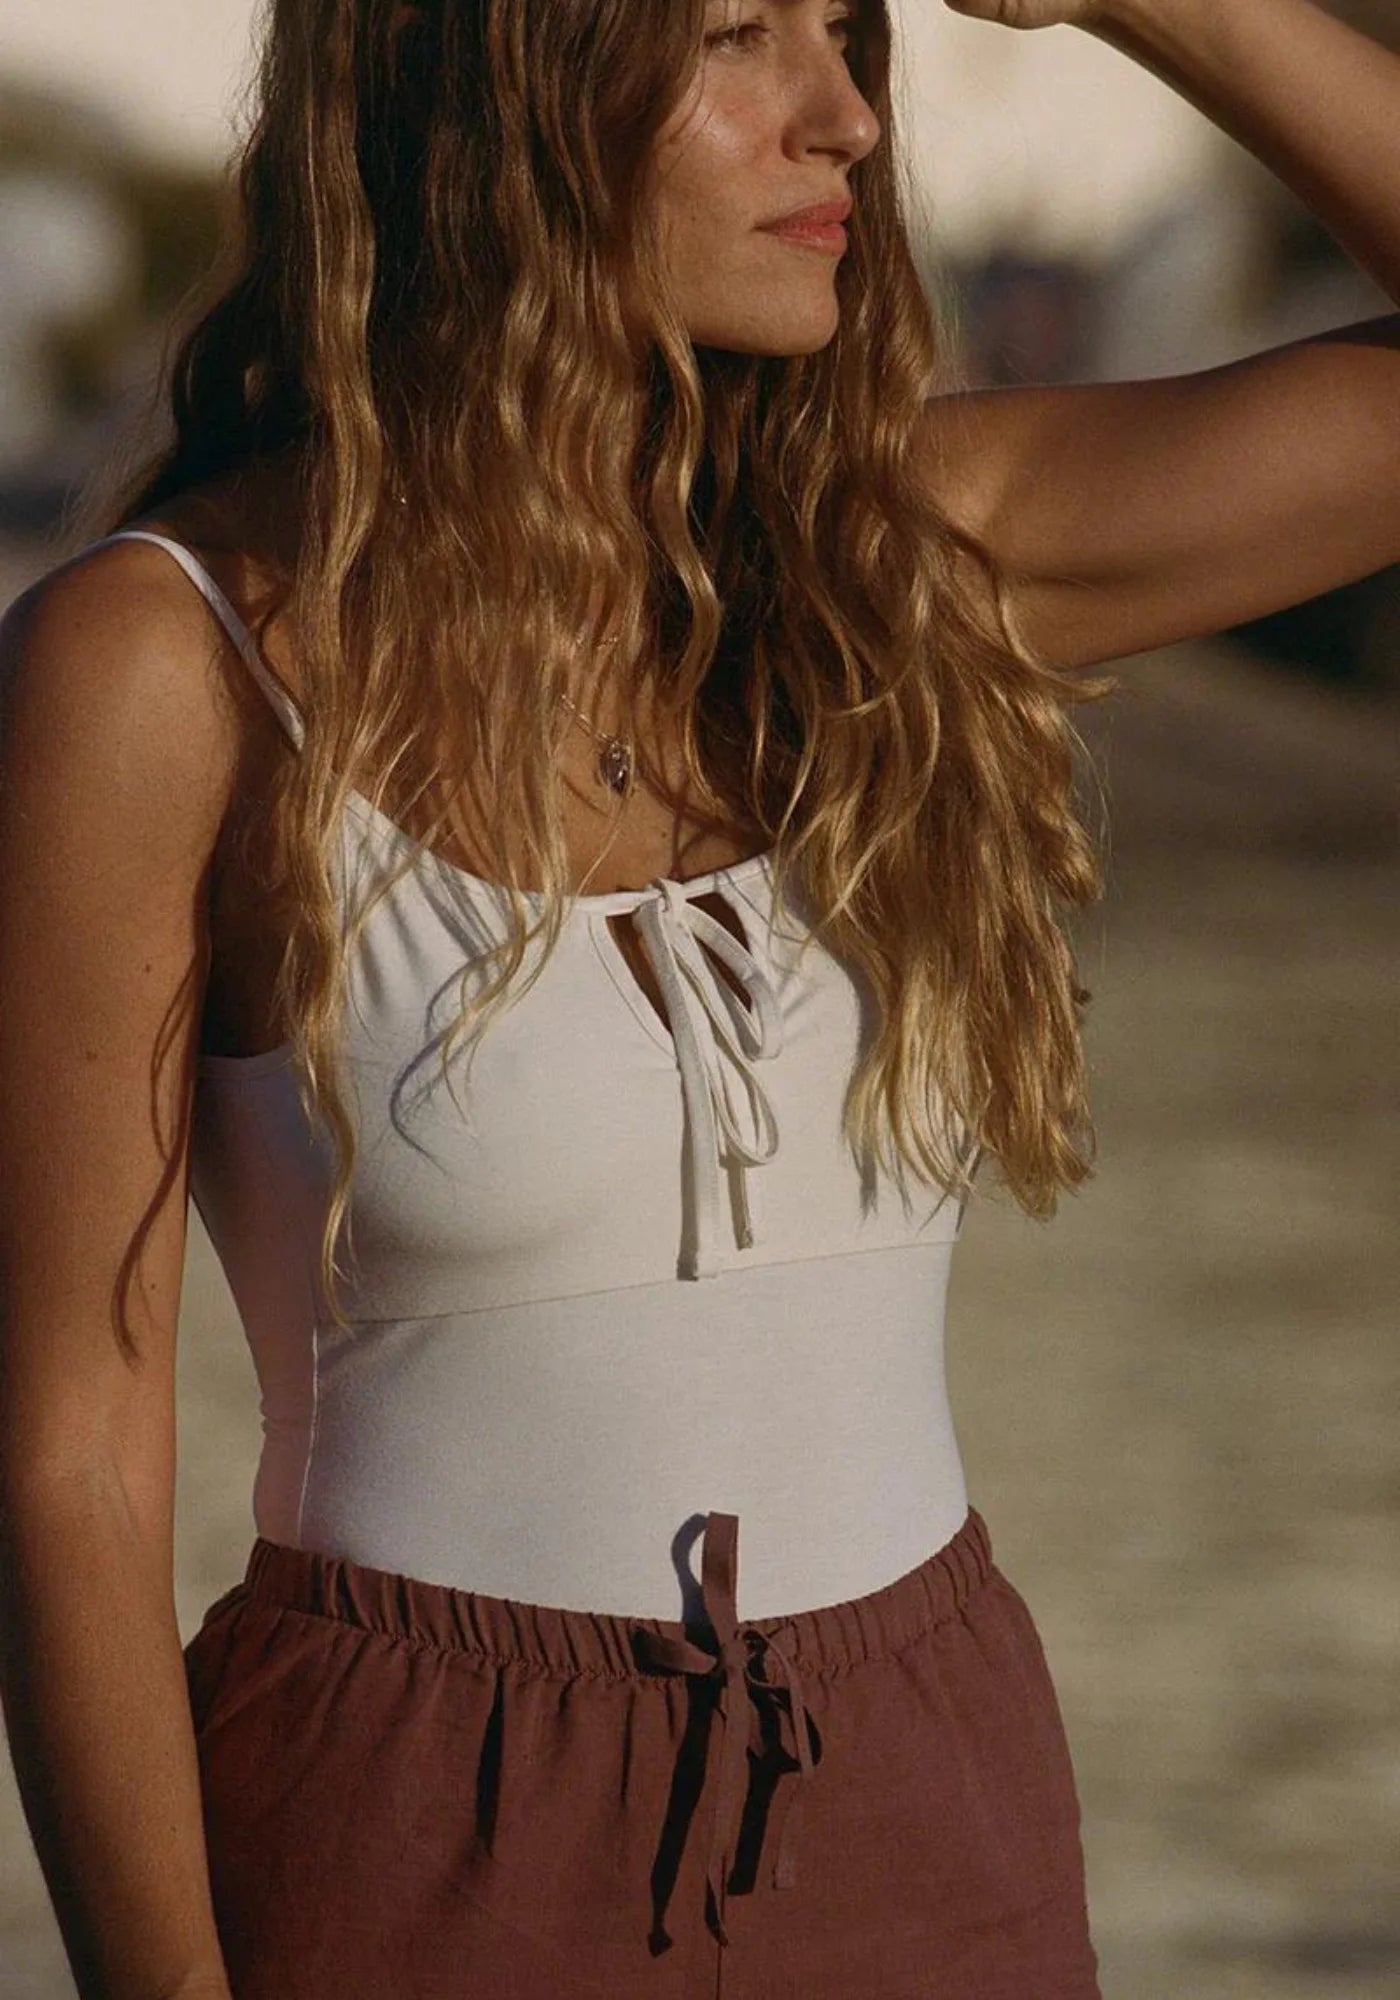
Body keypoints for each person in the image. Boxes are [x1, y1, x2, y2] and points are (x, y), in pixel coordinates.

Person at [1, 0, 1396, 1994]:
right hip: (423, 1820)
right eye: (745, 36)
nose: (844, 118)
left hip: (926, 1784)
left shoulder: (896, 565)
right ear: (491, 91)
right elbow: (70, 1447)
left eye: (847, 34)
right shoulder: (170, 662)